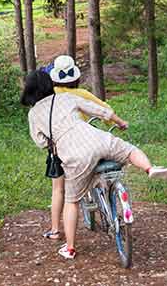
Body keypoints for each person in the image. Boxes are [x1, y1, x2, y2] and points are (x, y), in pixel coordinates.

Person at [21, 69, 167, 259]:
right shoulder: (66, 98)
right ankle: (150, 168)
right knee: (130, 150)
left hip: (73, 153)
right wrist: (119, 122)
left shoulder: (34, 114)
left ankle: (69, 248)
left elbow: (41, 142)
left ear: (29, 90)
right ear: (49, 84)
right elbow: (99, 110)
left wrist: (54, 140)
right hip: (96, 137)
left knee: (72, 200)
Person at [41, 56, 115, 242]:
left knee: (59, 189)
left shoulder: (50, 95)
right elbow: (105, 109)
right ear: (75, 77)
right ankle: (108, 200)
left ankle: (56, 230)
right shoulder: (81, 94)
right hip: (86, 141)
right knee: (99, 165)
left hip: (61, 147)